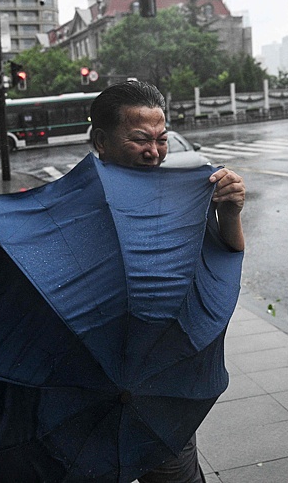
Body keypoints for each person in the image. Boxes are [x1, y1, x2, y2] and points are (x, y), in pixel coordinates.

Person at [90, 80, 245, 482]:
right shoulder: (78, 200)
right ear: (101, 141)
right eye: (140, 139)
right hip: (90, 380)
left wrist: (229, 213)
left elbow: (226, 255)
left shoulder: (179, 193)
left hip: (159, 380)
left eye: (161, 140)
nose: (154, 151)